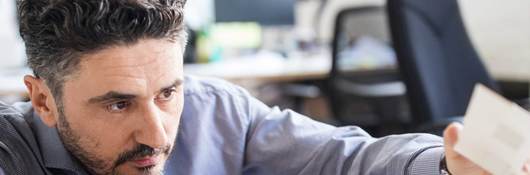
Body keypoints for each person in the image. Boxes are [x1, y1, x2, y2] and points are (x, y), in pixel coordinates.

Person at [0, 0, 528, 174]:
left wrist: (445, 165)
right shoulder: (11, 151)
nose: (158, 135)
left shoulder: (217, 111)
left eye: (168, 92)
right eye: (118, 103)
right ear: (43, 99)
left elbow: (344, 159)